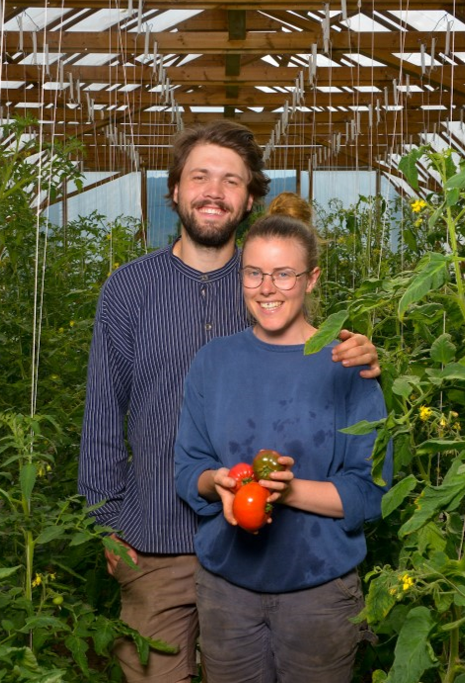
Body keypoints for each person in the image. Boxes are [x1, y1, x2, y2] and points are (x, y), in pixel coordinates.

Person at [78, 120, 380, 683]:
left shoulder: (269, 285)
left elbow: (320, 370)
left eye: (231, 181)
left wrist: (362, 351)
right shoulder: (129, 288)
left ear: (249, 201)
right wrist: (105, 521)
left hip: (272, 553)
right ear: (174, 190)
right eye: (200, 177)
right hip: (156, 543)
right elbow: (101, 414)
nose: (214, 192)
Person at [173, 194, 392, 682]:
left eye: (283, 274)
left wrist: (285, 492)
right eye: (254, 273)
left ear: (311, 279)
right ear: (241, 277)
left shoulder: (347, 364)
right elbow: (188, 470)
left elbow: (372, 492)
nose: (267, 288)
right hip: (226, 592)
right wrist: (221, 483)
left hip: (320, 597)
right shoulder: (213, 362)